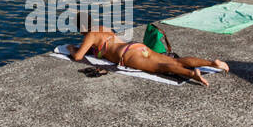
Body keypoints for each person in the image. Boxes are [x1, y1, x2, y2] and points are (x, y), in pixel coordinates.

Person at [70, 23, 229, 85]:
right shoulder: (103, 27)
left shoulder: (91, 35)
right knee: (174, 60)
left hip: (127, 55)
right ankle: (211, 63)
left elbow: (78, 57)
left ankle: (192, 74)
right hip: (136, 46)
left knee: (161, 67)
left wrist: (72, 49)